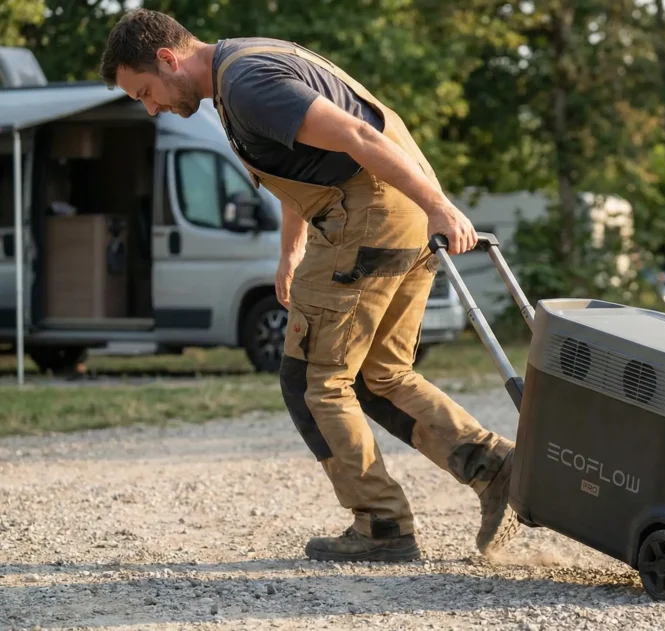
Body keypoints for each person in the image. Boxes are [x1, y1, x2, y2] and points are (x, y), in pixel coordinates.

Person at [99, 8, 519, 563]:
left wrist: (441, 207)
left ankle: (382, 526)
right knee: (380, 374)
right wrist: (290, 251)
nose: (152, 108)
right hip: (398, 219)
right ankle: (496, 471)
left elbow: (354, 135)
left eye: (145, 92)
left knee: (312, 380)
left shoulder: (246, 85)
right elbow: (307, 162)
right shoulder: (244, 63)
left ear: (167, 59)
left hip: (370, 221)